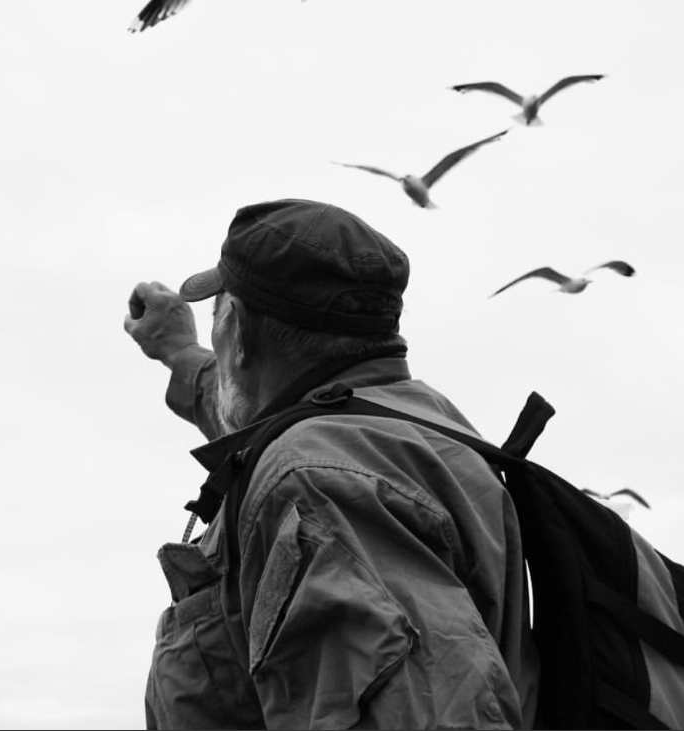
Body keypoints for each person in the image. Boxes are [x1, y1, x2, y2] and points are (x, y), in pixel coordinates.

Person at [124, 198, 539, 730]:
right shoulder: (406, 425)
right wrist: (179, 351)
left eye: (218, 319)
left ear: (242, 335)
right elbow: (248, 402)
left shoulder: (320, 491)